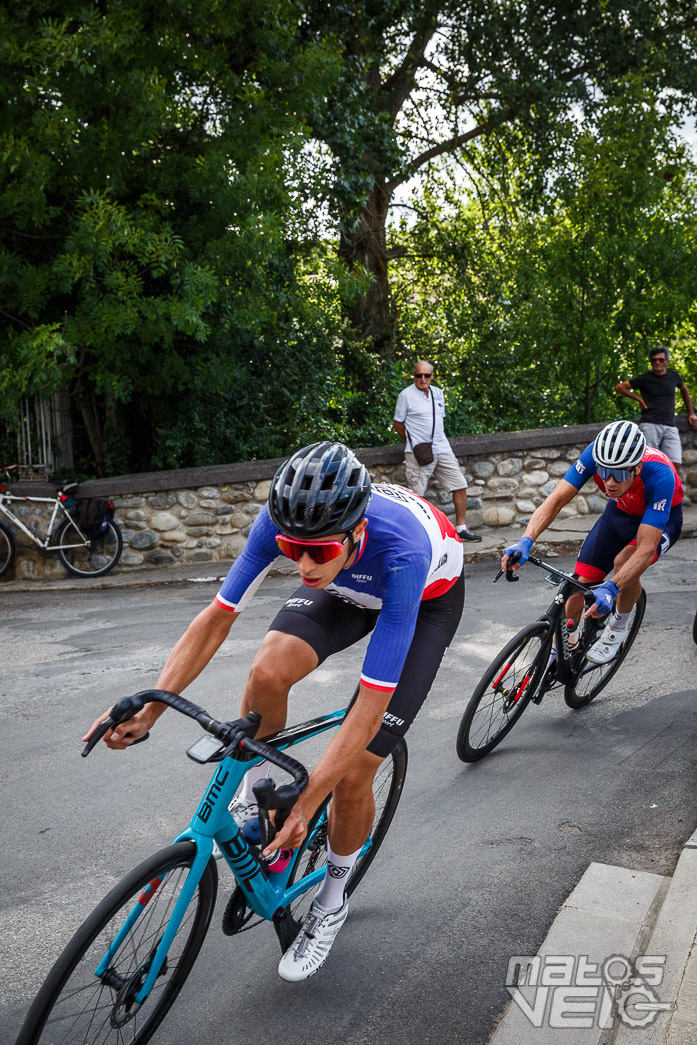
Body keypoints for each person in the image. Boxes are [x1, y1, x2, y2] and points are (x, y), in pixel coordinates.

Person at [84, 442, 465, 981]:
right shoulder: (286, 523)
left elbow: (371, 702)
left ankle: (332, 901)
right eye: (293, 548)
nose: (303, 564)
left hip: (423, 603)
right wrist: (149, 707)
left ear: (355, 532)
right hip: (348, 589)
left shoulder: (401, 554)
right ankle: (254, 793)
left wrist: (307, 803)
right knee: (266, 671)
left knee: (356, 770)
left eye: (319, 551)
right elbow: (217, 617)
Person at [501, 420, 683, 665]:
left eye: (618, 474)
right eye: (603, 472)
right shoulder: (594, 456)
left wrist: (612, 587)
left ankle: (617, 629)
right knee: (576, 590)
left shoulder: (660, 474)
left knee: (623, 562)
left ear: (637, 467)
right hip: (620, 512)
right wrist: (525, 541)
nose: (609, 482)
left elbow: (646, 549)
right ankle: (567, 645)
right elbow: (554, 501)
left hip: (661, 519)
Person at [393, 360, 482, 542]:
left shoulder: (437, 393)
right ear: (414, 376)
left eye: (427, 375)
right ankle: (414, 535)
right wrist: (414, 443)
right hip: (418, 451)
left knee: (459, 484)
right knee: (416, 494)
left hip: (442, 447)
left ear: (432, 376)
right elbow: (398, 424)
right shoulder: (406, 395)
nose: (423, 379)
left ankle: (462, 529)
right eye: (419, 375)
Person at [615, 346, 697, 466]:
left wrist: (691, 413)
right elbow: (620, 387)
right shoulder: (645, 379)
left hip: (670, 425)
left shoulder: (674, 376)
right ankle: (649, 485)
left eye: (661, 359)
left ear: (667, 362)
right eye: (654, 360)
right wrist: (638, 399)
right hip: (650, 424)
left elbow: (684, 389)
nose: (657, 362)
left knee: (675, 463)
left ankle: (671, 485)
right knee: (649, 462)